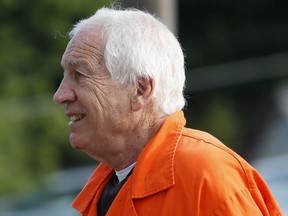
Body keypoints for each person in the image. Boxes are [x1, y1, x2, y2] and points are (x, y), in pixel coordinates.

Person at [53, 7, 283, 216]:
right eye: (66, 75)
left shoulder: (205, 176)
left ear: (140, 89)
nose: (60, 95)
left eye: (80, 75)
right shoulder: (103, 190)